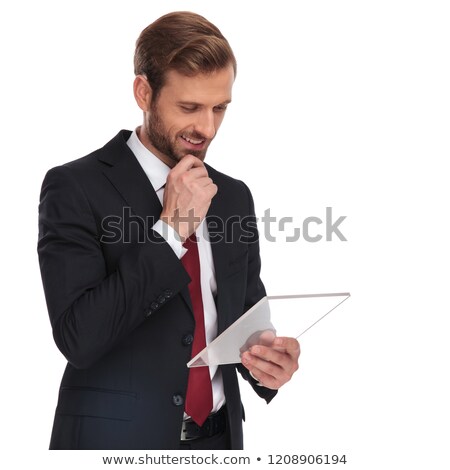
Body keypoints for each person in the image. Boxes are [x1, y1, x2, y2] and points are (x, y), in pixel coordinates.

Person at [38, 11, 300, 450]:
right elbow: (78, 338)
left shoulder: (233, 196)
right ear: (144, 92)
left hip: (218, 441)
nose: (208, 127)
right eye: (189, 107)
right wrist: (173, 230)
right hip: (115, 443)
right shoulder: (75, 186)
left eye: (220, 107)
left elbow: (242, 319)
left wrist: (267, 362)